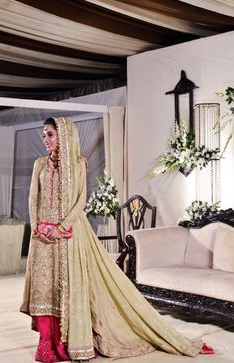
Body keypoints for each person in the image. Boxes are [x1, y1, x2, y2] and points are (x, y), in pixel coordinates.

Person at [20, 117, 213, 363]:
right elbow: (32, 198)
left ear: (64, 136)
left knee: (70, 286)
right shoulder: (39, 164)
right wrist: (37, 228)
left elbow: (80, 201)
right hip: (42, 239)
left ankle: (73, 341)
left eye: (49, 134)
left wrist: (61, 227)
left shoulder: (78, 164)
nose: (45, 140)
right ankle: (48, 342)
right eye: (44, 135)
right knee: (44, 287)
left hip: (68, 235)